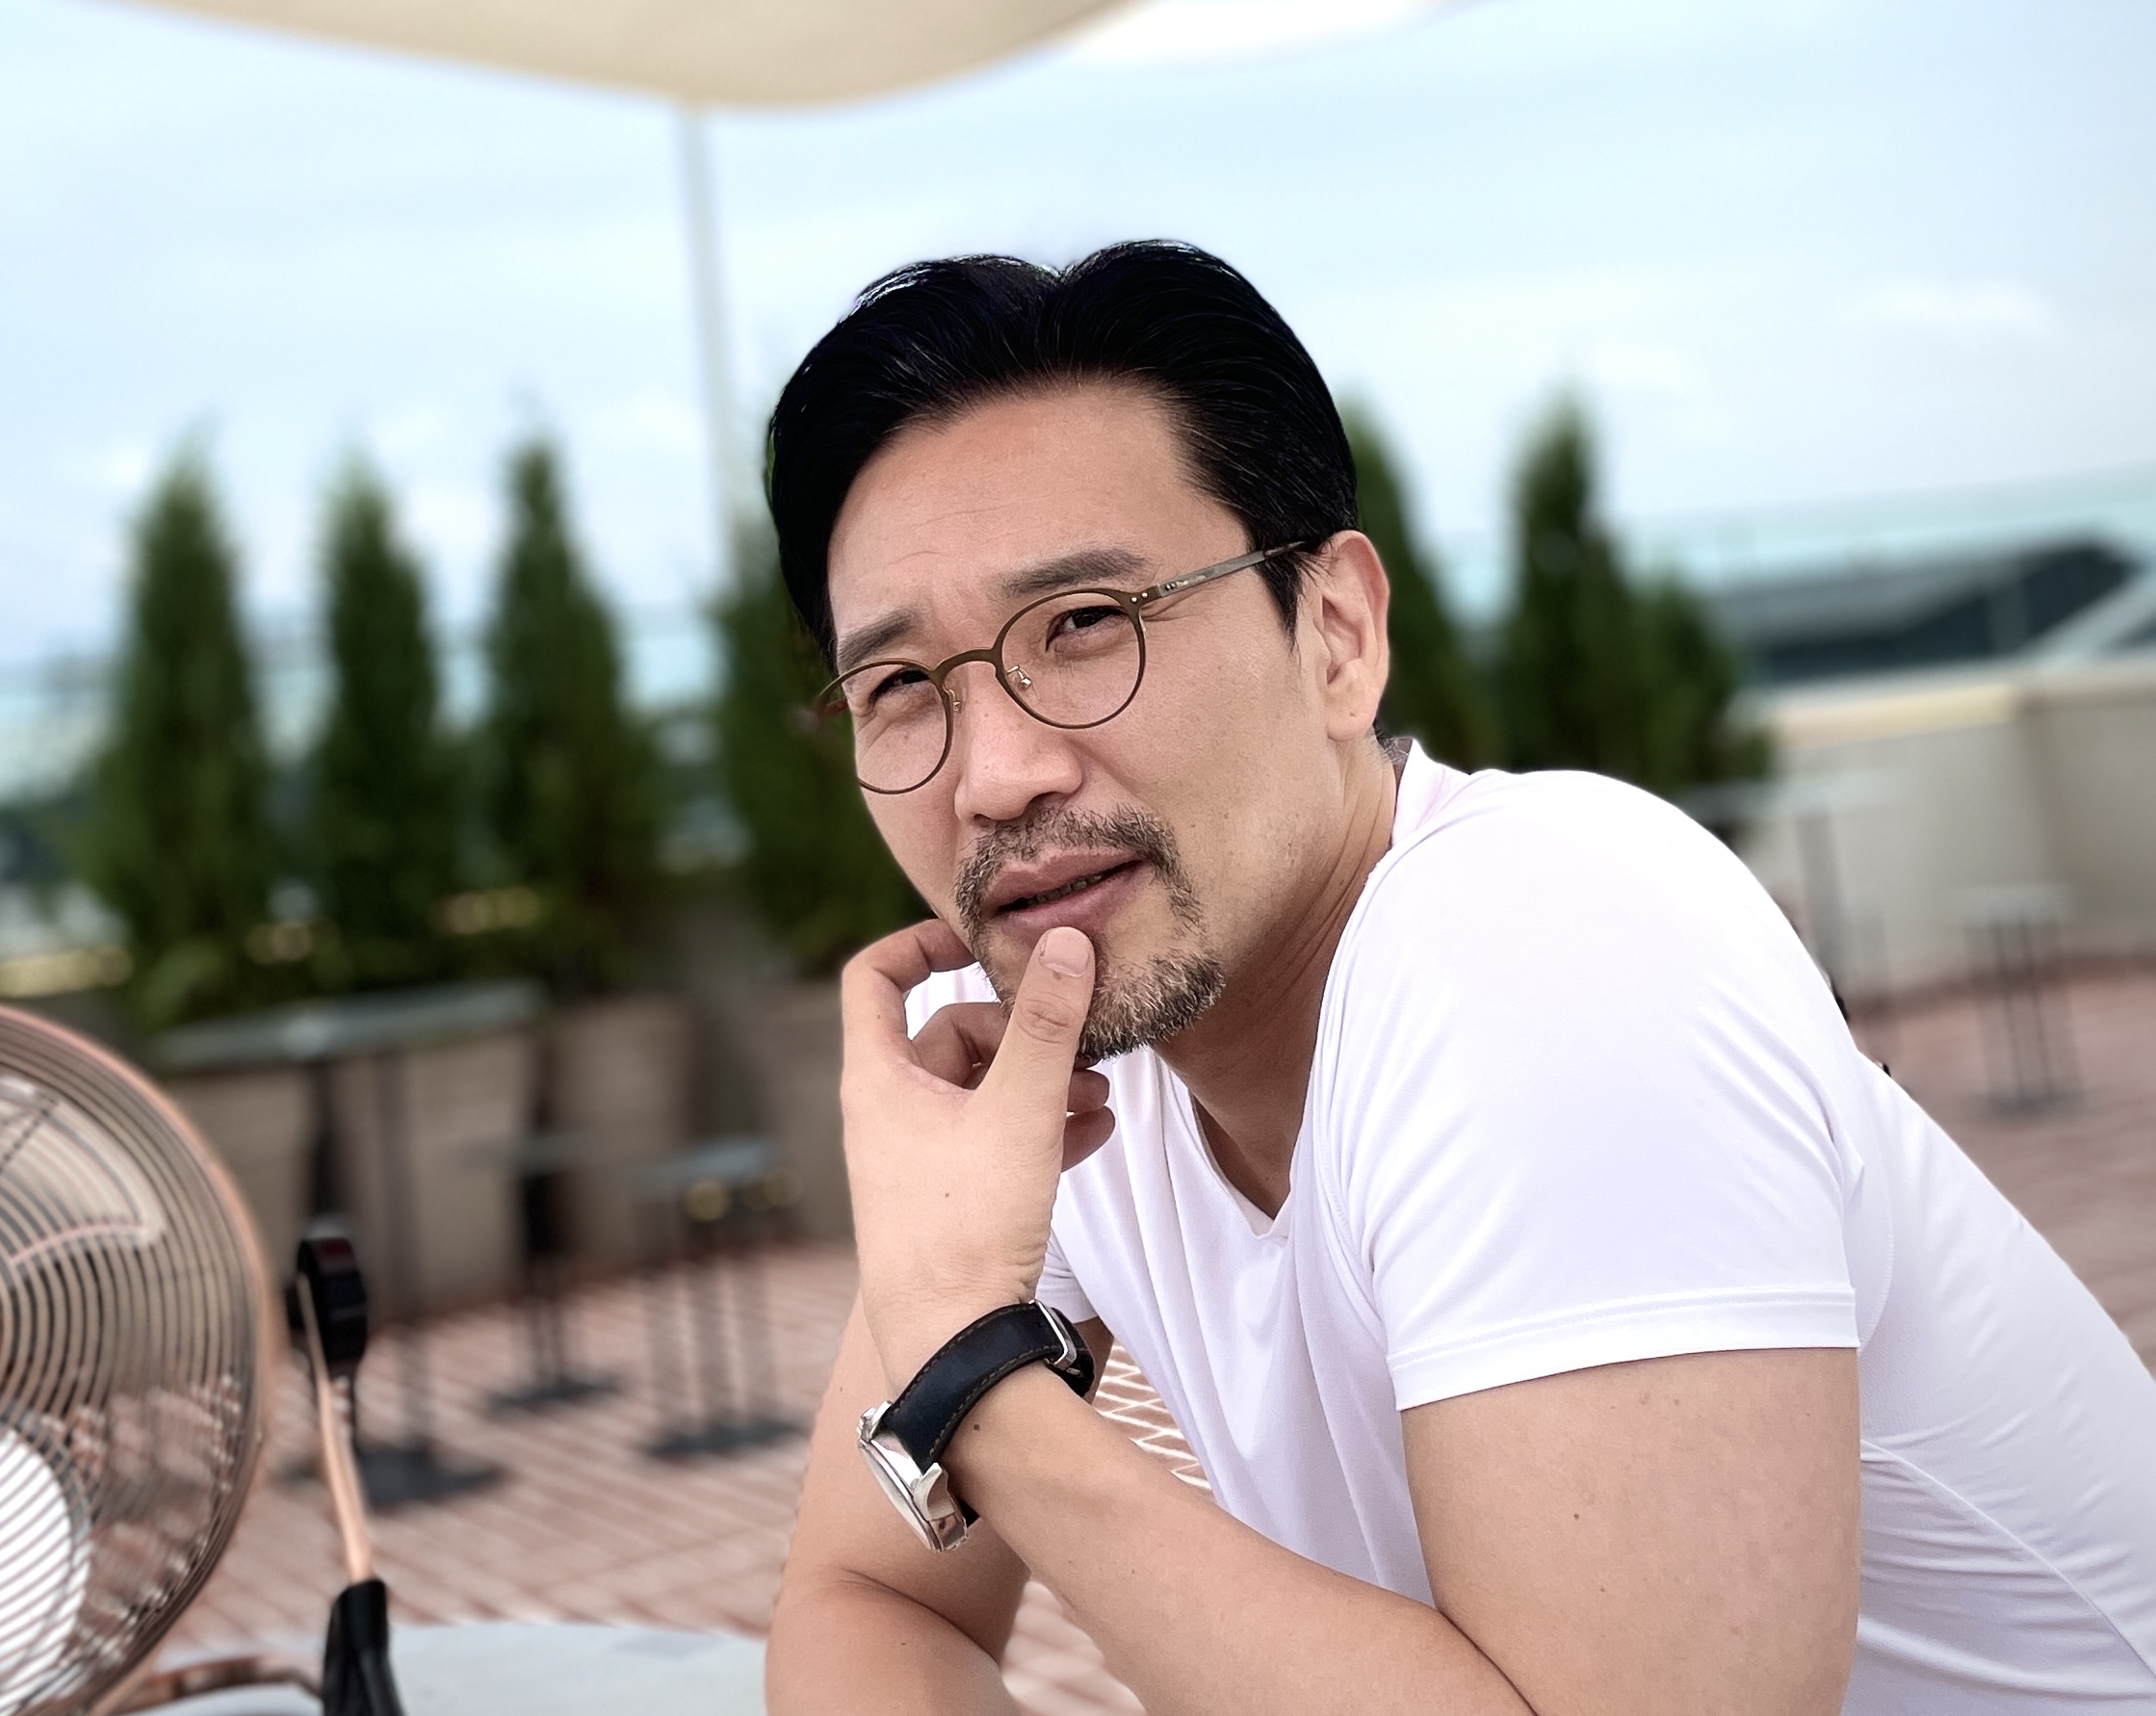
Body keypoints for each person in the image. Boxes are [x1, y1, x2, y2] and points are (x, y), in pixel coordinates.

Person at [763, 242, 2156, 1716]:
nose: (994, 776)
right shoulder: (1037, 1050)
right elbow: (861, 1603)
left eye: (1087, 624)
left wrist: (975, 1373)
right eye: (900, 687)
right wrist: (956, 1332)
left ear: (1337, 636)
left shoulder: (1550, 944)